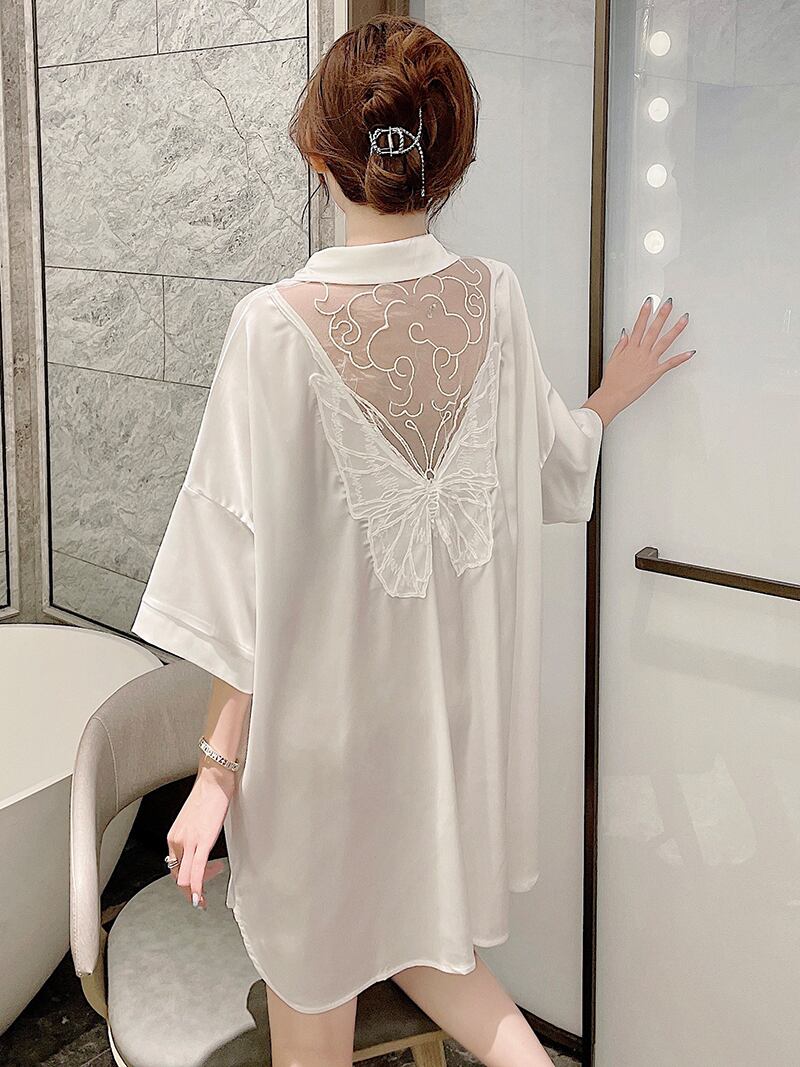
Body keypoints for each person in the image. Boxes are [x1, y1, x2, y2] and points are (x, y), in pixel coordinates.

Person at [131, 13, 694, 1067]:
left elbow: (234, 582)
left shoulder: (271, 328)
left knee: (321, 1001)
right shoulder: (494, 297)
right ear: (451, 161)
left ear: (318, 154)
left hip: (318, 757)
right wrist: (609, 396)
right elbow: (552, 464)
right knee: (429, 944)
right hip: (442, 745)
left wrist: (215, 771)